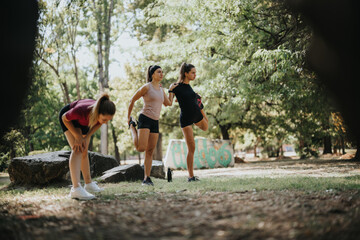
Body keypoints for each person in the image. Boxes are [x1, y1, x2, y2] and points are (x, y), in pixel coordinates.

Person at [59, 93, 116, 200]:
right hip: (69, 119)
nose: (105, 123)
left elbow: (99, 123)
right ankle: (76, 189)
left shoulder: (99, 114)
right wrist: (77, 136)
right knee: (78, 150)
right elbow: (64, 117)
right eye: (104, 119)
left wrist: (86, 137)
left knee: (85, 150)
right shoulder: (81, 110)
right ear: (98, 112)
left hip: (84, 122)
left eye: (108, 120)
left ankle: (88, 183)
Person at [128, 65, 172, 186]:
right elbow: (132, 100)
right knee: (141, 148)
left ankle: (146, 178)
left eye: (162, 72)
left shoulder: (161, 90)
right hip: (145, 118)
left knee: (150, 151)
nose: (161, 74)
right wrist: (128, 117)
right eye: (159, 72)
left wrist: (172, 91)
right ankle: (132, 127)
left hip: (155, 121)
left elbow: (169, 103)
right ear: (152, 74)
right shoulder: (147, 87)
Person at [168, 62, 208, 182]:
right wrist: (170, 90)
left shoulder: (189, 87)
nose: (195, 75)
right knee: (192, 148)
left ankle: (200, 105)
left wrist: (196, 99)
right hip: (185, 119)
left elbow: (185, 98)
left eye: (195, 73)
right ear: (186, 73)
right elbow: (170, 103)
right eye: (192, 73)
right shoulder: (176, 87)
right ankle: (191, 176)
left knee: (206, 127)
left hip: (196, 113)